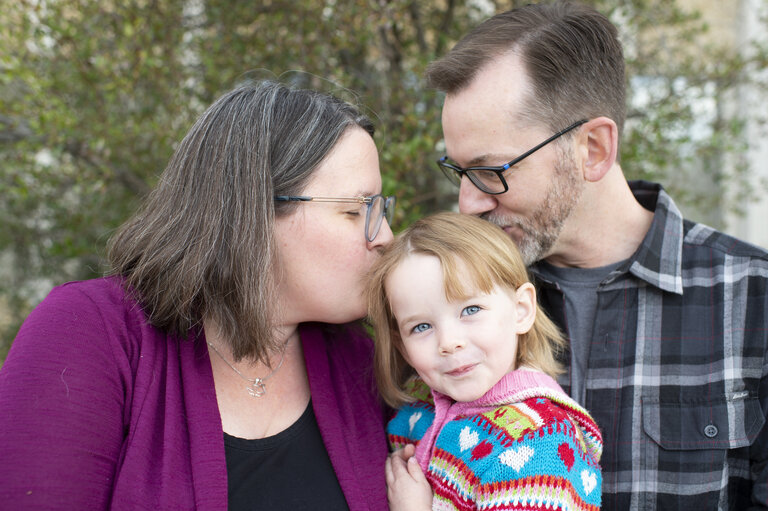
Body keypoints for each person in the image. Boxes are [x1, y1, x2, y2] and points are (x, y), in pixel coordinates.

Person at [424, 2, 768, 510]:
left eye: (491, 171)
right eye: (459, 171)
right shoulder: (449, 301)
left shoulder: (754, 299)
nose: (468, 203)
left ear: (592, 149)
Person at [0, 80, 395, 510]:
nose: (386, 237)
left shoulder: (359, 361)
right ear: (256, 210)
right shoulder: (86, 333)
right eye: (358, 210)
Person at [366, 212, 603, 511]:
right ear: (402, 346)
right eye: (421, 327)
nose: (449, 342)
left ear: (520, 309)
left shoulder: (541, 443)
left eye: (470, 309)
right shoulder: (417, 407)